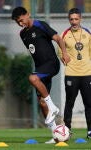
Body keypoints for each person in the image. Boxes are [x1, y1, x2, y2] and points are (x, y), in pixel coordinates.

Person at [11, 6, 70, 143]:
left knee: (32, 78)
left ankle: (53, 107)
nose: (20, 23)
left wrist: (64, 53)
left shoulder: (40, 25)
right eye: (17, 22)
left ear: (28, 14)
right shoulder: (22, 34)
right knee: (42, 103)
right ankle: (56, 136)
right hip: (41, 69)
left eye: (21, 20)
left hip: (51, 64)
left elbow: (58, 39)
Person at [58, 8, 91, 138]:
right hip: (71, 73)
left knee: (89, 103)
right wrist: (64, 58)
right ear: (69, 20)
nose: (74, 22)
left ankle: (90, 131)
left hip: (87, 73)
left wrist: (86, 64)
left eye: (76, 19)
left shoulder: (87, 33)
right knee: (69, 103)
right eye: (71, 19)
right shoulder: (64, 34)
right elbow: (60, 51)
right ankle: (67, 130)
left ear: (80, 19)